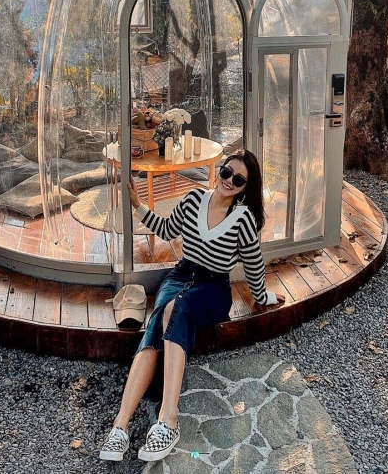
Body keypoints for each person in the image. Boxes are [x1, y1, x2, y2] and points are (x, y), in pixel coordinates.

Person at [99, 148, 286, 463]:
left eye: (239, 180)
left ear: (245, 188)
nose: (229, 181)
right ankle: (120, 426)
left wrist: (263, 296)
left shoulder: (244, 219)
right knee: (155, 329)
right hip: (180, 276)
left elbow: (254, 267)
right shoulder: (193, 199)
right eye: (226, 172)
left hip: (213, 289)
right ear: (220, 171)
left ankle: (168, 419)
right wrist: (137, 205)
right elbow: (166, 229)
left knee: (176, 309)